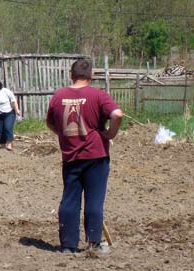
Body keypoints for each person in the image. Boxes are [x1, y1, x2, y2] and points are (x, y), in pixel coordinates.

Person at [46, 59, 123, 255]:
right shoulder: (97, 95)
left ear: (71, 75)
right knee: (94, 200)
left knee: (70, 199)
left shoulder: (58, 96)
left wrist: (64, 134)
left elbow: (50, 124)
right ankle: (93, 244)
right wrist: (110, 134)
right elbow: (117, 114)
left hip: (71, 155)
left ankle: (68, 245)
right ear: (91, 75)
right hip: (96, 155)